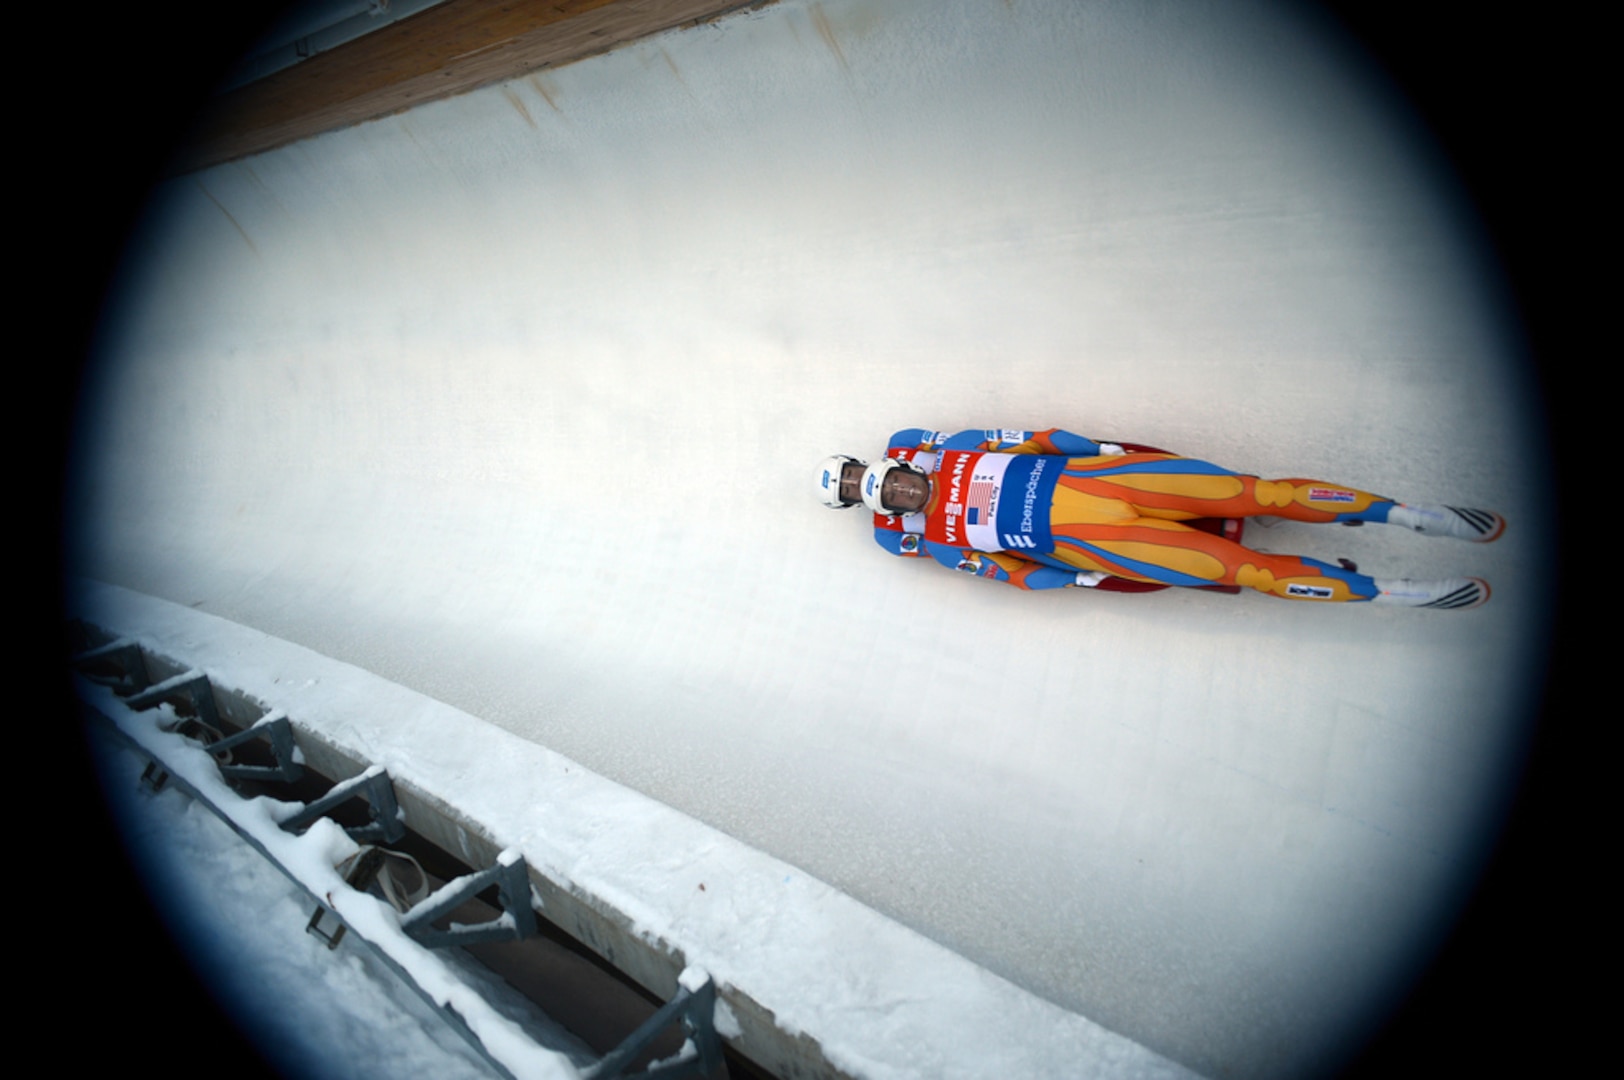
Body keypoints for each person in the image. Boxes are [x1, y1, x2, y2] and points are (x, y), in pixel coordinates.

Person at [815, 428, 1503, 608]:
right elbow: (1015, 577)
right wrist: (1071, 578)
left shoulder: (959, 450)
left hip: (1117, 480)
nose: (904, 494)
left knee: (1257, 494)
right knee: (1254, 572)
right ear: (886, 511)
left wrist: (1092, 450)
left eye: (898, 482)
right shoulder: (939, 543)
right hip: (1106, 541)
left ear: (906, 468)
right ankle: (1397, 593)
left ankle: (1410, 517)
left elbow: (1039, 440)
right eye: (890, 498)